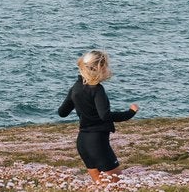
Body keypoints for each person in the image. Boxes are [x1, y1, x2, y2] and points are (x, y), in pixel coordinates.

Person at [56, 49, 138, 182]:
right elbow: (104, 115)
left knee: (100, 187)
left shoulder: (75, 88)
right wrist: (130, 113)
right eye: (106, 66)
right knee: (118, 185)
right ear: (99, 67)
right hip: (97, 142)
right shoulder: (97, 89)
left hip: (82, 142)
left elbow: (62, 112)